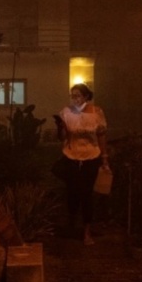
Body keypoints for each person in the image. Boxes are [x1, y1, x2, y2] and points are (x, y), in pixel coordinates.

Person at [54, 83, 109, 245]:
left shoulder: (96, 112)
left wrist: (104, 158)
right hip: (71, 156)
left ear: (86, 96)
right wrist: (60, 127)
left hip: (91, 156)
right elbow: (63, 138)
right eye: (73, 95)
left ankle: (87, 231)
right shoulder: (66, 112)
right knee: (72, 191)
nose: (75, 99)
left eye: (78, 95)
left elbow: (101, 136)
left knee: (87, 194)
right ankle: (71, 220)